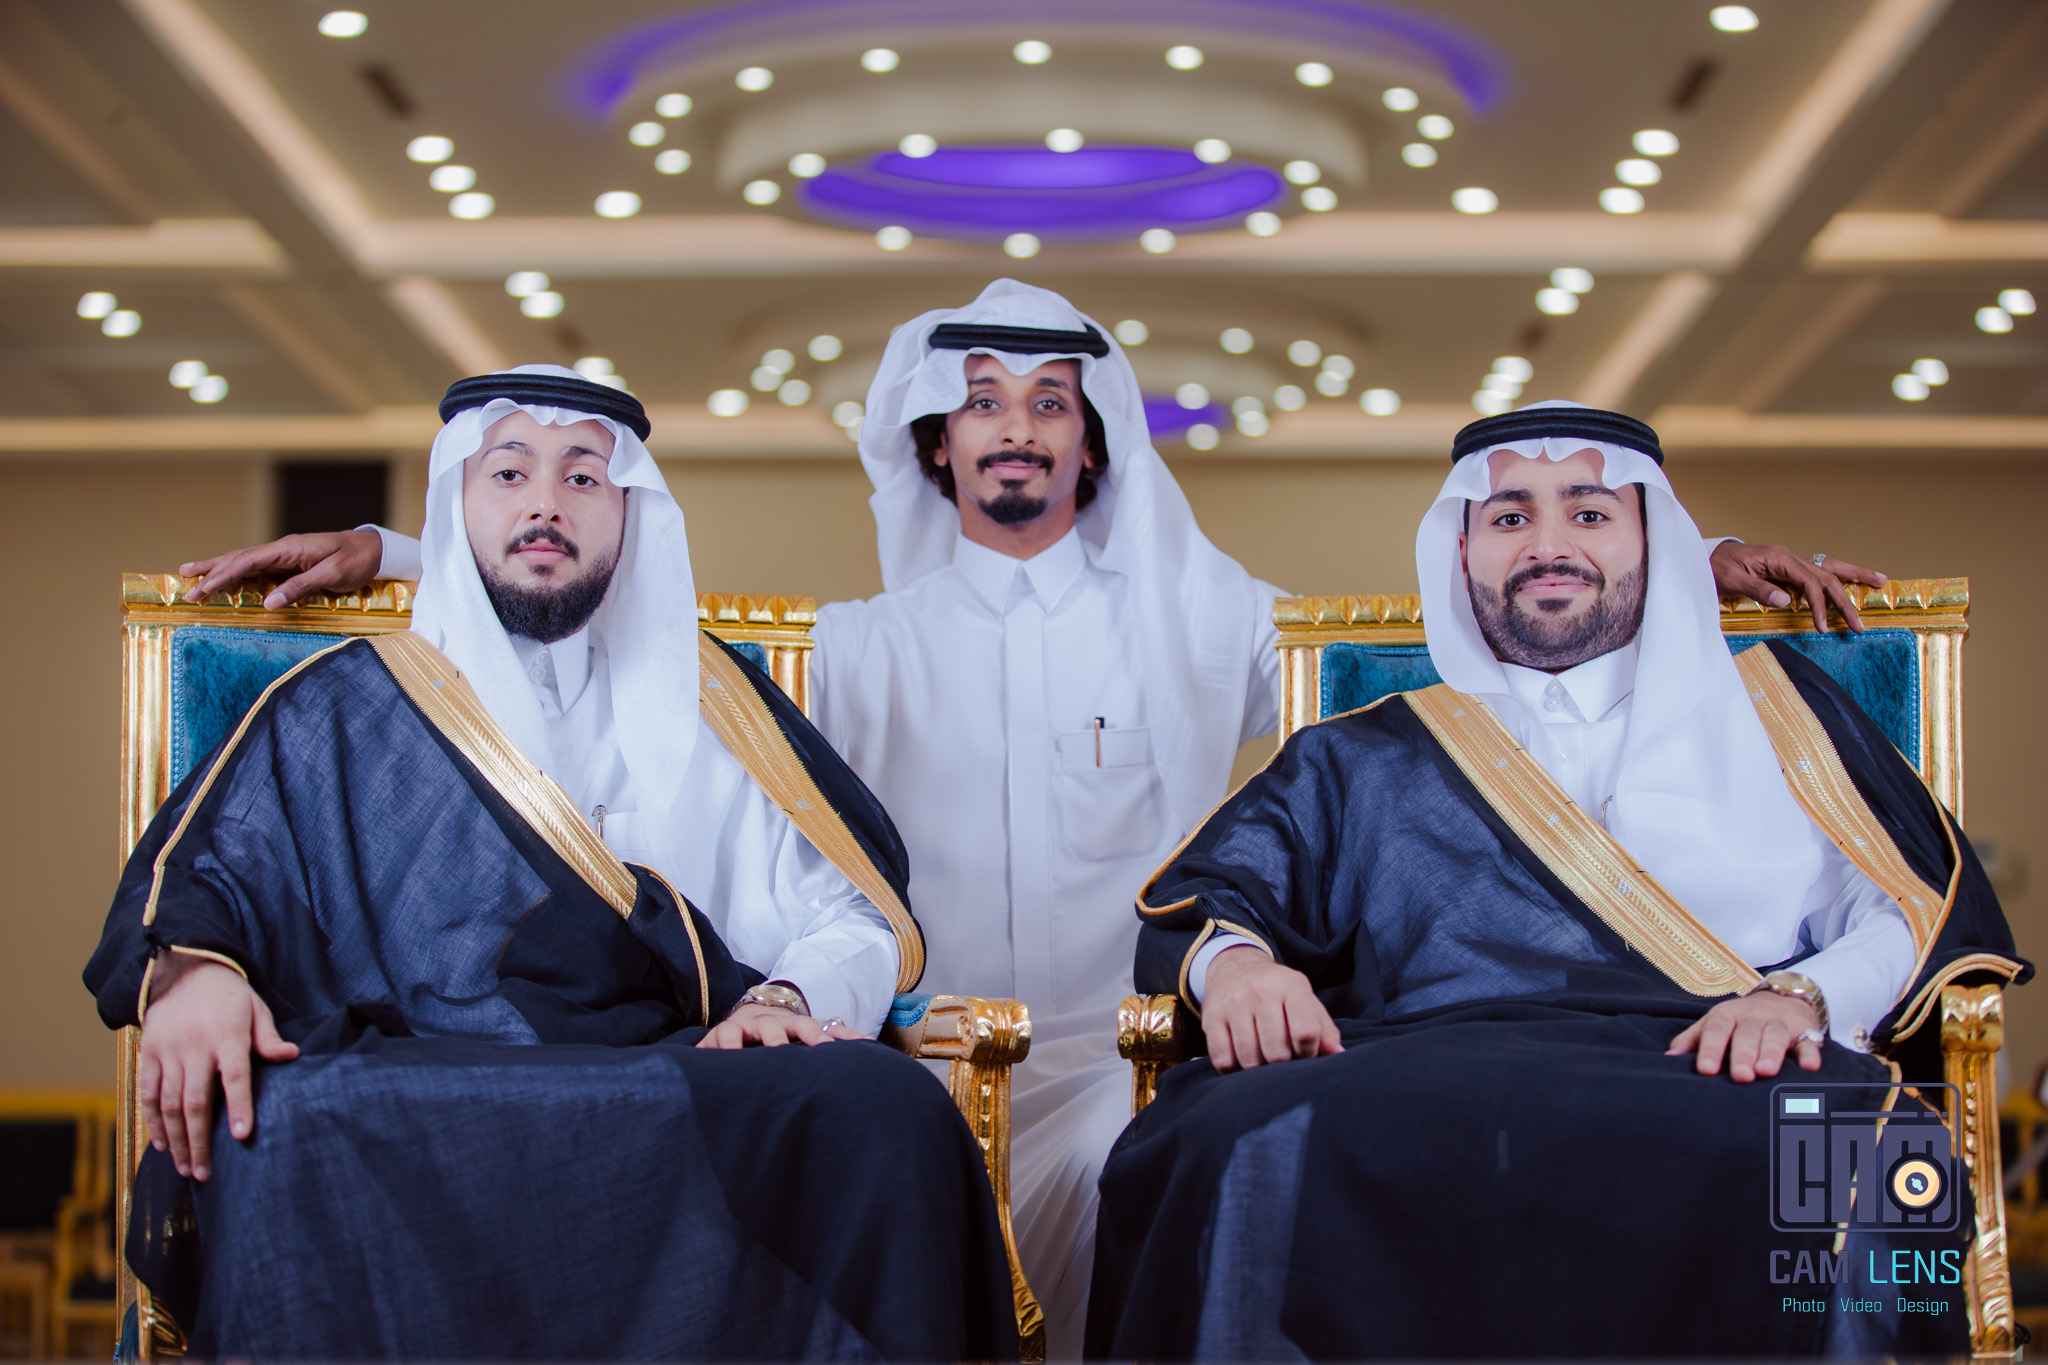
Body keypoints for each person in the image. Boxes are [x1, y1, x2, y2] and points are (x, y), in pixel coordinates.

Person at [174, 285, 1883, 1358]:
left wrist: (1687, 571)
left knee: (1197, 1179)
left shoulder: (1215, 622)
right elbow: (608, 643)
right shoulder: (847, 649)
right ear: (937, 443)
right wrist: (409, 564)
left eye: (1048, 402)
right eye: (981, 400)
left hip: (1128, 1061)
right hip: (909, 1050)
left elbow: (1460, 630)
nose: (1013, 429)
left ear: (1092, 439)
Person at [86, 366, 1016, 1361]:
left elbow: (856, 914)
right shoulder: (349, 701)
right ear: (458, 501)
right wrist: (197, 973)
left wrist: (783, 999)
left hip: (668, 1076)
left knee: (885, 1108)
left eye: (582, 478)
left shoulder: (714, 706)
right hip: (422, 1080)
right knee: (281, 1119)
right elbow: (214, 873)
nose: (544, 504)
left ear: (630, 514)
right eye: (508, 473)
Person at [1085, 401, 2027, 1358]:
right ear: (1462, 553)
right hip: (1417, 1069)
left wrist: (1802, 998)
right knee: (1211, 1134)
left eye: (1589, 512)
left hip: (1719, 1064)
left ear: (1654, 542)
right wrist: (1239, 968)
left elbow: (1913, 906)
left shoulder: (1782, 716)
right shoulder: (1365, 751)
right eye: (1509, 517)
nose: (1547, 545)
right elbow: (1217, 889)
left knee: (1871, 1156)